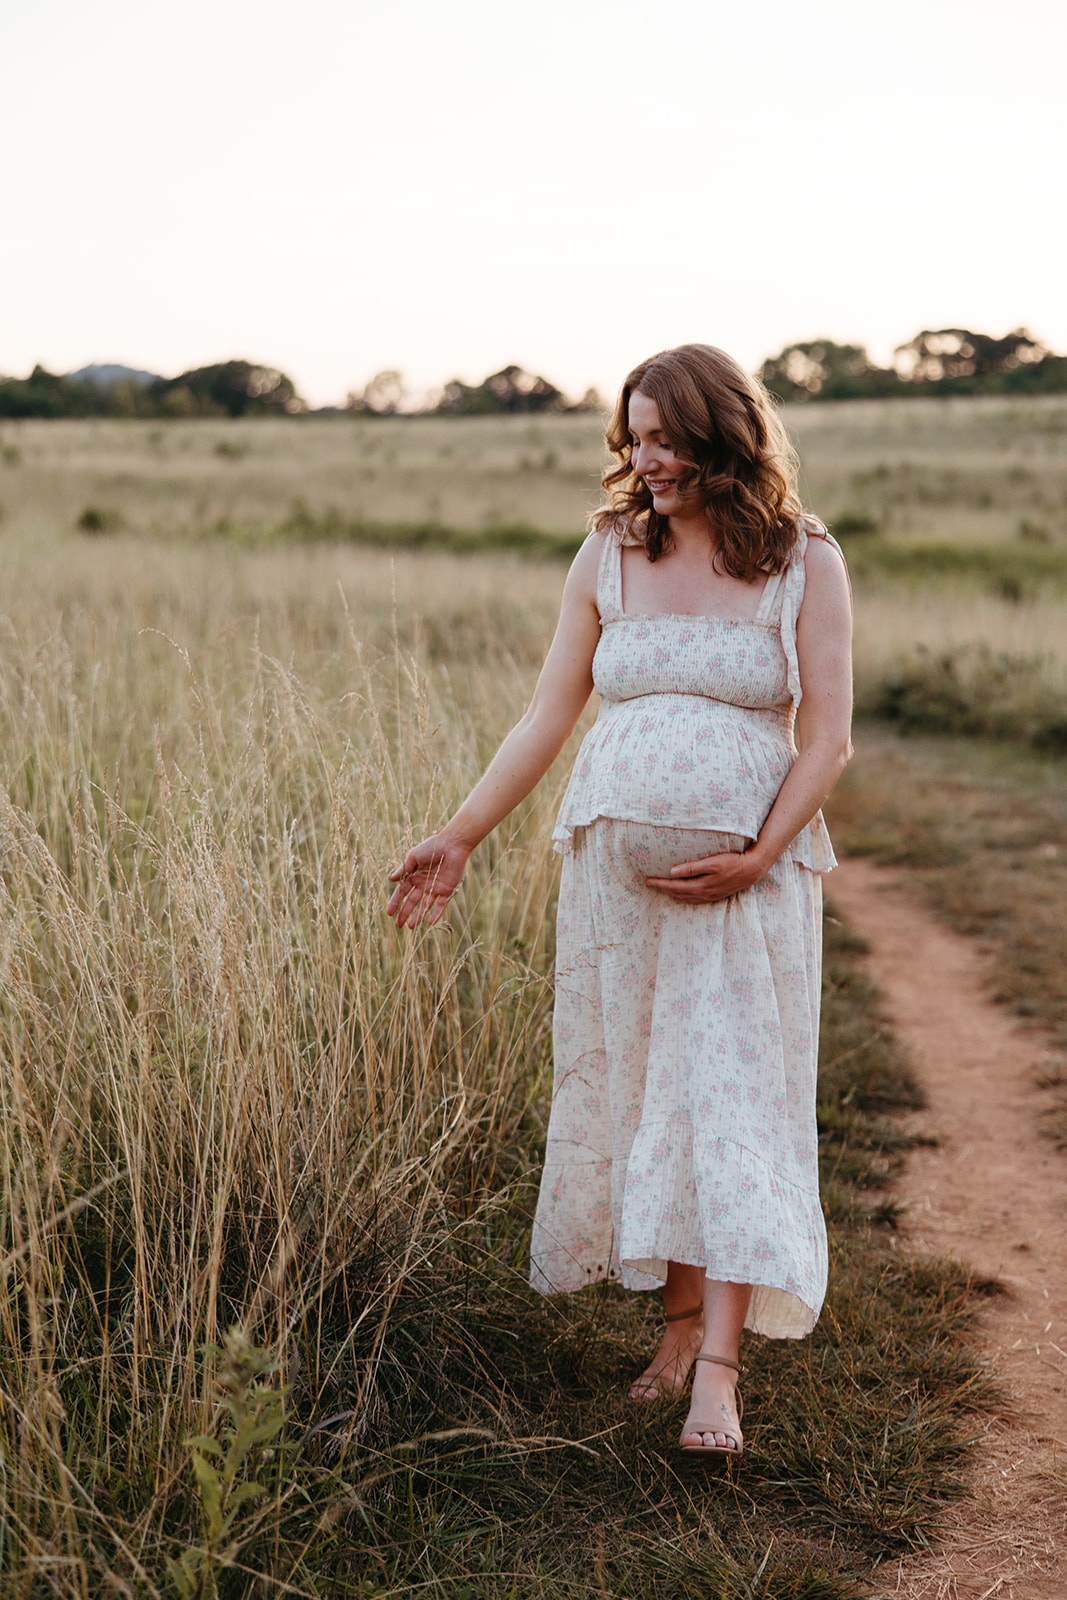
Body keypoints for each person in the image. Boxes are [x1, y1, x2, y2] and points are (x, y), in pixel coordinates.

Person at [387, 344, 853, 1459]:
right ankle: (676, 1328)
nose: (642, 458)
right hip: (613, 884)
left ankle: (720, 1379)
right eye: (632, 435)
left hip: (748, 882)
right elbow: (547, 716)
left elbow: (826, 734)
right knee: (653, 1094)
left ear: (721, 437)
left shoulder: (803, 558)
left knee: (730, 1100)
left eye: (663, 437)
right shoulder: (607, 552)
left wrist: (758, 853)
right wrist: (458, 835)